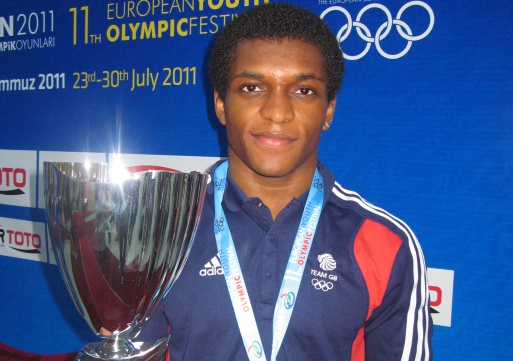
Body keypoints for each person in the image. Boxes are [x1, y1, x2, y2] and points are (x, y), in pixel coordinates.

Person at [138, 3, 433, 360]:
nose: (277, 111)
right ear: (220, 104)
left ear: (328, 110)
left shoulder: (386, 244)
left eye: (303, 90)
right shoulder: (161, 228)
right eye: (252, 87)